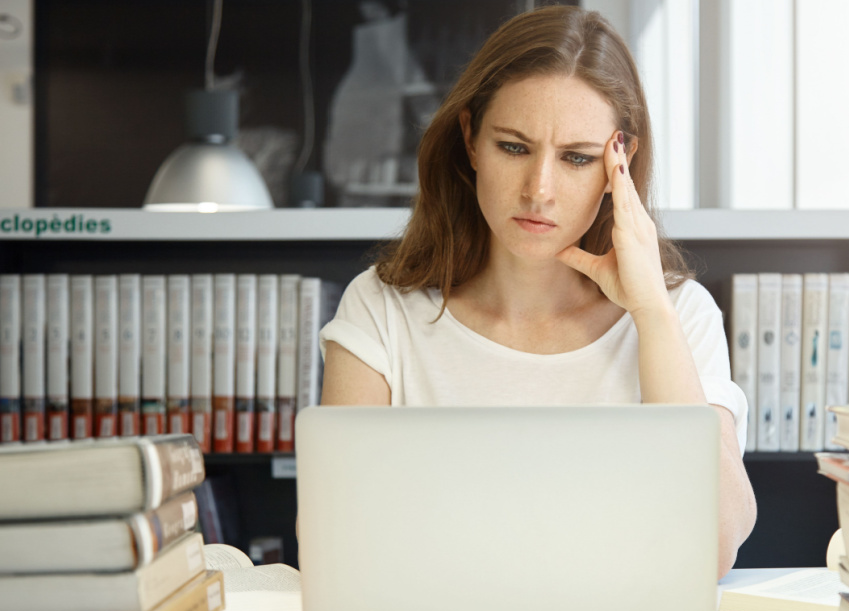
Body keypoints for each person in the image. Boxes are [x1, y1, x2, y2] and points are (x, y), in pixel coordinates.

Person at [318, 5, 756, 578]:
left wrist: (651, 314)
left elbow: (714, 549)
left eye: (576, 158)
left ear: (620, 165)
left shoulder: (679, 317)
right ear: (471, 139)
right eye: (514, 147)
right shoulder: (381, 309)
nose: (539, 190)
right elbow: (339, 547)